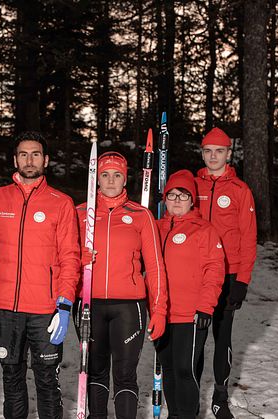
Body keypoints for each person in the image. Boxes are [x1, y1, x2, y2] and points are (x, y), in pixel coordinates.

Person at [0, 131, 80, 419]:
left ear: (46, 159)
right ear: (15, 159)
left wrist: (65, 302)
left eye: (35, 154)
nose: (29, 160)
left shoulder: (61, 202)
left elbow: (70, 257)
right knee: (12, 379)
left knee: (47, 381)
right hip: (5, 306)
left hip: (45, 309)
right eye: (23, 154)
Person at [74, 151, 168, 418]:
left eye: (117, 175)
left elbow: (155, 266)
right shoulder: (80, 213)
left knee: (125, 374)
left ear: (125, 179)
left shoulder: (141, 215)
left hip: (129, 307)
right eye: (105, 175)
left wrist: (159, 309)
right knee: (94, 369)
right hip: (89, 304)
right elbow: (62, 257)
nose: (111, 181)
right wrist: (78, 255)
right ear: (96, 178)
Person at [194, 128, 257, 419]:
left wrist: (241, 281)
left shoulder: (240, 190)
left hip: (227, 276)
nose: (213, 156)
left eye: (219, 151)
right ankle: (190, 395)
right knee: (192, 338)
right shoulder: (192, 186)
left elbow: (248, 238)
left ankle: (220, 397)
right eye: (208, 151)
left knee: (222, 337)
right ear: (202, 152)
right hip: (194, 274)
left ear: (229, 154)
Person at [155, 169, 225, 419]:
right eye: (172, 195)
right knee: (169, 368)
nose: (176, 200)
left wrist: (206, 306)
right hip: (162, 314)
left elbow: (215, 270)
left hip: (191, 315)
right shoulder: (154, 228)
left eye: (183, 195)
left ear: (192, 200)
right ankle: (176, 414)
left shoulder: (203, 230)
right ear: (164, 198)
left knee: (186, 369)